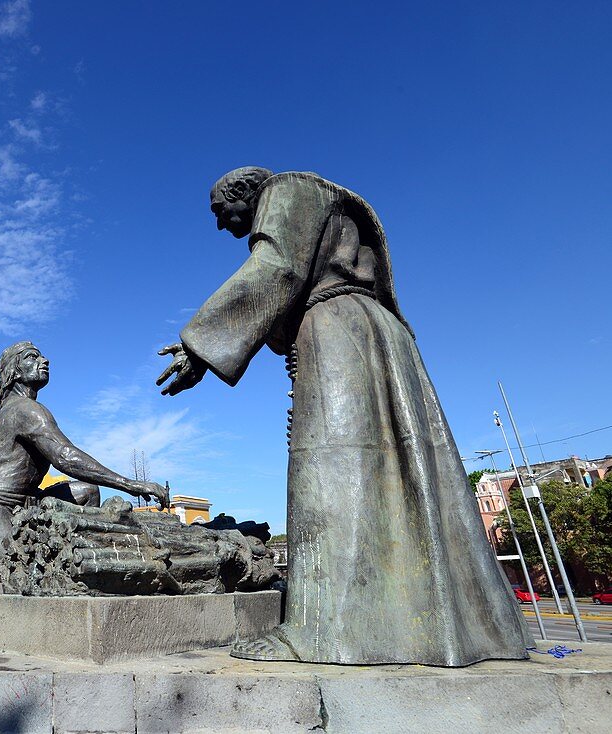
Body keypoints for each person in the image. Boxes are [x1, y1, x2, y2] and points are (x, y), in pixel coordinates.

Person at [156, 167, 531, 666]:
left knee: (327, 471)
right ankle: (435, 630)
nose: (222, 226)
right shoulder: (313, 198)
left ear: (241, 192)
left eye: (220, 212)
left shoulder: (285, 191)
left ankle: (317, 632)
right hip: (365, 331)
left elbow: (278, 267)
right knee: (392, 478)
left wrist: (200, 347)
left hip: (339, 332)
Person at [0, 341, 169, 628]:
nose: (44, 360)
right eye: (32, 357)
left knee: (87, 492)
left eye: (42, 355)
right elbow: (65, 456)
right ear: (13, 372)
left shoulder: (18, 410)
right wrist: (130, 484)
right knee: (45, 578)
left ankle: (78, 554)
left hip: (9, 513)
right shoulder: (24, 410)